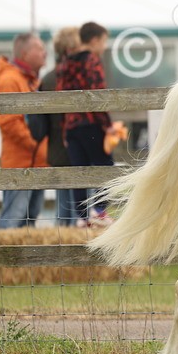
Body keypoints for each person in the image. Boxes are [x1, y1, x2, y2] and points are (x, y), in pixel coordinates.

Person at [56, 22, 117, 227]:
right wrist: (107, 125)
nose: (104, 46)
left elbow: (60, 97)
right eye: (103, 41)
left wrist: (65, 130)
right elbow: (96, 94)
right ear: (94, 40)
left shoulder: (64, 64)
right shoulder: (91, 60)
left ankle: (82, 217)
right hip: (91, 123)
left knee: (79, 172)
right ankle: (100, 211)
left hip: (72, 126)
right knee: (104, 167)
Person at [0, 32, 49, 229]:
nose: (45, 52)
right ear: (25, 54)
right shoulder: (10, 80)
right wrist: (36, 146)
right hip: (20, 163)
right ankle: (1, 259)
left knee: (29, 220)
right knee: (13, 219)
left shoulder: (30, 81)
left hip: (34, 162)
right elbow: (9, 123)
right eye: (40, 48)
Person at [38, 27, 81, 226]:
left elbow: (39, 124)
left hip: (58, 151)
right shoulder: (80, 75)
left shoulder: (47, 79)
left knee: (65, 210)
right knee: (78, 211)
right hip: (74, 150)